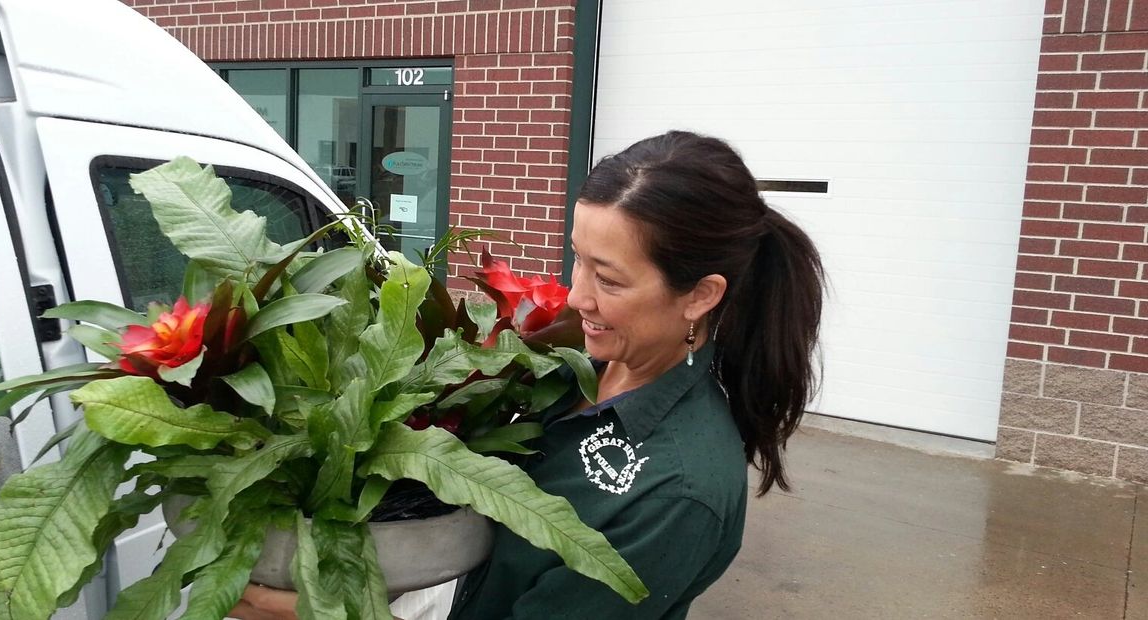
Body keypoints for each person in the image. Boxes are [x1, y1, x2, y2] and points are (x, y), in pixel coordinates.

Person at [230, 130, 825, 619]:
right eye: (577, 258)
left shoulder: (678, 493)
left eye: (610, 279)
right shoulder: (583, 364)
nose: (579, 295)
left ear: (700, 295)